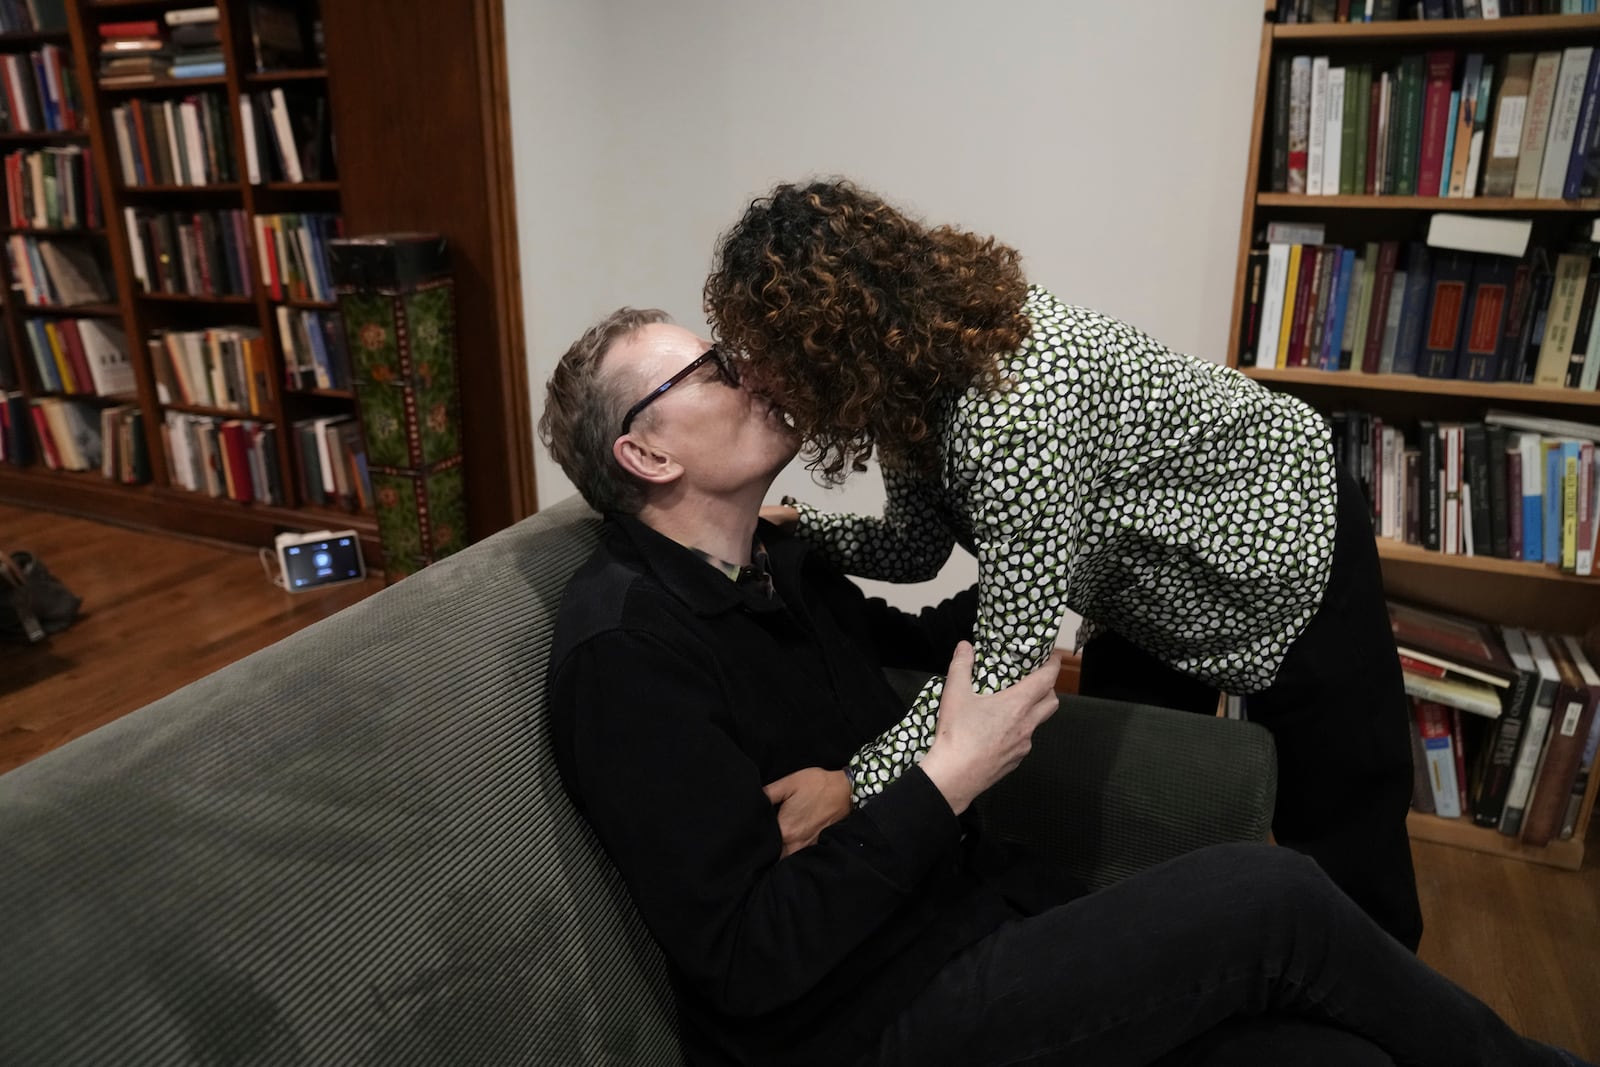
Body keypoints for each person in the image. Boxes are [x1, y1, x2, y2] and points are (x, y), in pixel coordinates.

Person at [536, 307, 1590, 1067]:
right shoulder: (626, 656)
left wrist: (1053, 553)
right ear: (645, 450)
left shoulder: (783, 563)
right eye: (712, 367)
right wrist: (940, 779)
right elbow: (750, 957)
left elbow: (920, 635)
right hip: (865, 1016)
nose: (751, 368)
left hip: (976, 919)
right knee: (1270, 893)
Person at [703, 178, 1423, 950]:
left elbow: (1007, 666)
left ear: (831, 338)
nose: (755, 381)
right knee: (1145, 813)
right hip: (1145, 583)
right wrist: (800, 527)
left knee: (1347, 832)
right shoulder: (913, 383)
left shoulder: (1012, 413)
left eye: (768, 354)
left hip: (1288, 536)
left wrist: (856, 784)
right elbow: (915, 547)